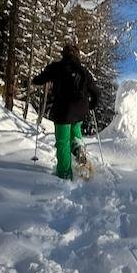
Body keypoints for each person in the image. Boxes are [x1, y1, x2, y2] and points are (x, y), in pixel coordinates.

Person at [31, 44, 100, 180]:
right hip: (80, 109)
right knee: (75, 132)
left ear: (63, 54)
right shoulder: (83, 71)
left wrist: (42, 76)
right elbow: (96, 92)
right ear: (77, 55)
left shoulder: (56, 67)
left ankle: (64, 174)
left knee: (63, 142)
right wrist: (91, 105)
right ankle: (79, 149)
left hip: (63, 110)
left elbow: (37, 80)